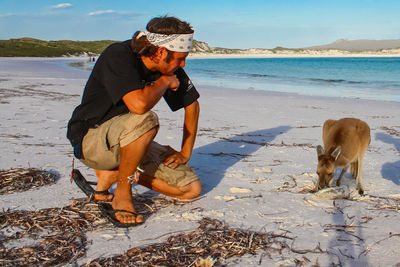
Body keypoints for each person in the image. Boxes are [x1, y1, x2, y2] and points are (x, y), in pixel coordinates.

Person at [67, 16, 202, 226]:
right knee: (146, 118)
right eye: (180, 58)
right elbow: (138, 106)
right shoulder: (118, 55)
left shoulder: (169, 65)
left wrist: (185, 152)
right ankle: (123, 190)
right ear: (160, 52)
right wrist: (164, 82)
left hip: (131, 139)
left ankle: (115, 175)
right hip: (90, 139)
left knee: (190, 189)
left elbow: (192, 105)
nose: (183, 64)